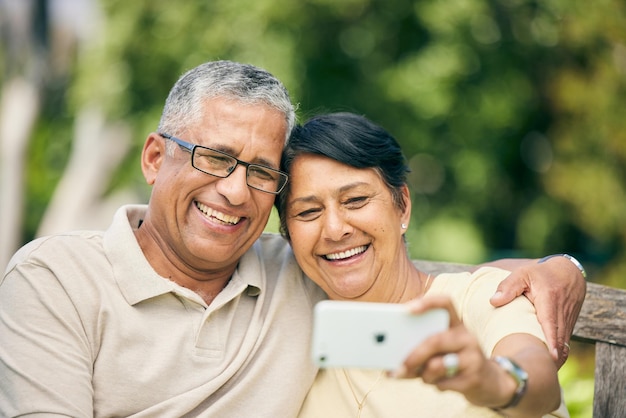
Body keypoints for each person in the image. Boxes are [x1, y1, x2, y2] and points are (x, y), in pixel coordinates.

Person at [0, 61, 583, 417]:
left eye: (259, 170)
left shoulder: (296, 275)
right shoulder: (56, 281)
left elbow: (444, 298)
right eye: (216, 158)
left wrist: (559, 268)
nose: (234, 190)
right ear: (155, 158)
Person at [276, 112, 570, 417]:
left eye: (356, 200)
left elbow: (538, 376)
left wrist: (493, 380)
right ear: (287, 234)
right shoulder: (291, 323)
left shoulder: (482, 296)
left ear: (402, 205)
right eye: (308, 212)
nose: (335, 230)